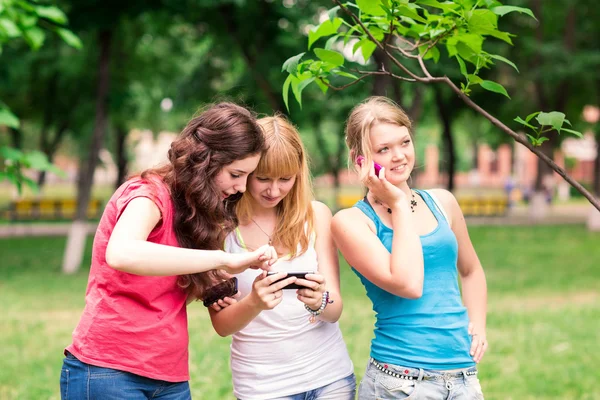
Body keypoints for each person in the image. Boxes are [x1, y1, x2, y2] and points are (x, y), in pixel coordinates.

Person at [60, 103, 278, 400]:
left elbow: (209, 304)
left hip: (169, 376)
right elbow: (122, 253)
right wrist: (222, 259)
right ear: (207, 160)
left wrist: (247, 289)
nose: (241, 187)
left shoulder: (195, 213)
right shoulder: (148, 194)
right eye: (236, 174)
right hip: (109, 370)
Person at [331, 97, 488, 400]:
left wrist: (478, 324)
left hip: (463, 380)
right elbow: (408, 284)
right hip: (400, 382)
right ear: (360, 158)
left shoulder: (443, 203)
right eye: (383, 150)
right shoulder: (351, 222)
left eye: (404, 142)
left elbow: (471, 270)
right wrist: (399, 204)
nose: (399, 156)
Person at [208, 115, 356, 400]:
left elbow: (335, 308)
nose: (273, 190)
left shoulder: (316, 216)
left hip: (330, 378)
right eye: (262, 178)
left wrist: (320, 301)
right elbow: (222, 325)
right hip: (263, 388)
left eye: (285, 179)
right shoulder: (220, 229)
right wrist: (253, 302)